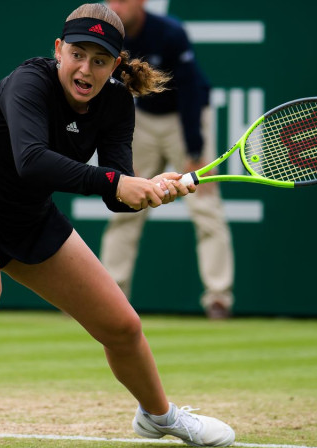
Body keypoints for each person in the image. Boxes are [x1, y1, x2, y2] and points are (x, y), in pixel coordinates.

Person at [0, 3, 235, 448]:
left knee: (122, 326)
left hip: (29, 218)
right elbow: (31, 161)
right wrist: (120, 182)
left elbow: (116, 194)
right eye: (77, 54)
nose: (86, 69)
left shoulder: (116, 103)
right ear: (58, 50)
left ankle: (158, 416)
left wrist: (151, 189)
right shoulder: (28, 82)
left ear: (116, 65)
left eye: (101, 60)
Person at [101, 0, 235, 319]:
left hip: (185, 119)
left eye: (123, 0)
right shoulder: (110, 36)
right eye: (111, 0)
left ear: (141, 3)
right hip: (143, 122)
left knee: (205, 207)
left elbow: (190, 90)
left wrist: (193, 150)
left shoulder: (171, 33)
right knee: (125, 206)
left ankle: (218, 297)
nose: (115, 6)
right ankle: (108, 296)